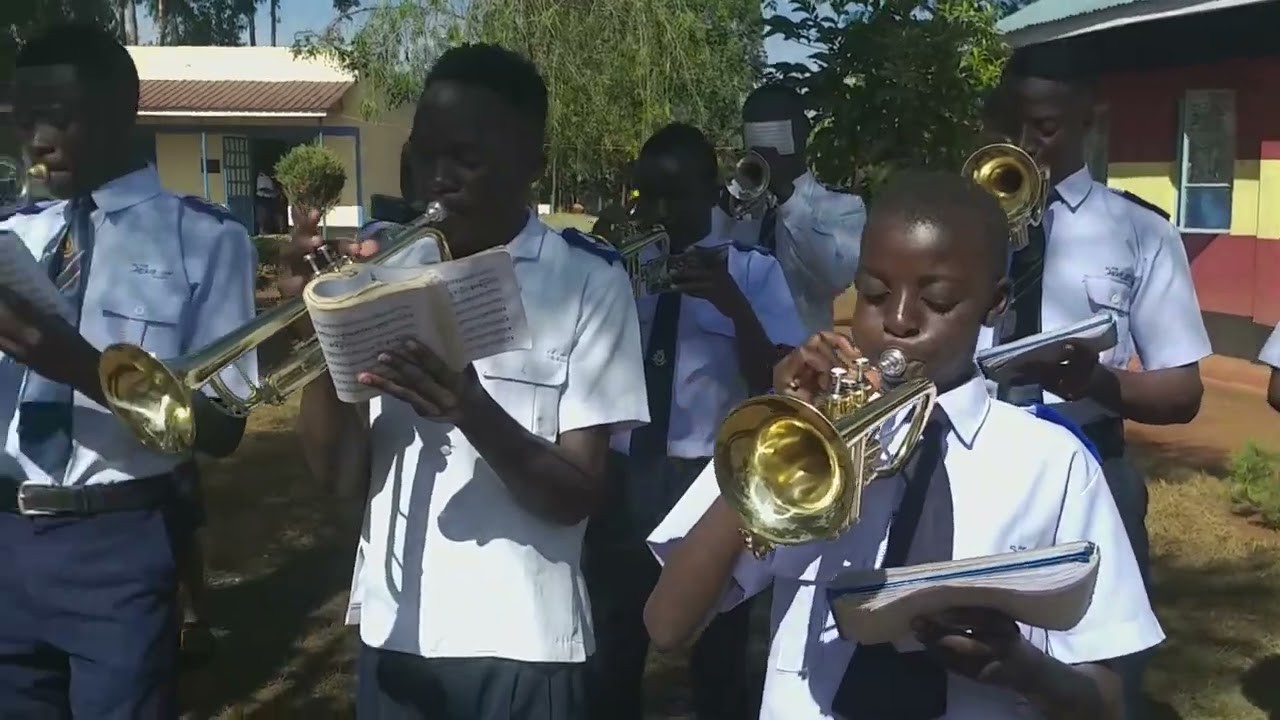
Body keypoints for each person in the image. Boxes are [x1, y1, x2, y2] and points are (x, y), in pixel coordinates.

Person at [643, 171, 1163, 719]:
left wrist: (1023, 669)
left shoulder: (1054, 464)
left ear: (994, 303)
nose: (897, 321)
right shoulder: (799, 433)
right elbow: (667, 625)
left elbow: (1107, 703)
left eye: (937, 301)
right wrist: (771, 451)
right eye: (874, 294)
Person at [276, 43, 649, 720]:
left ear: (531, 165)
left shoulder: (588, 282)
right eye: (423, 157)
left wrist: (471, 409)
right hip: (396, 633)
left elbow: (580, 494)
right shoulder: (378, 272)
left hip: (525, 647)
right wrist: (320, 334)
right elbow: (339, 478)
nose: (436, 180)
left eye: (465, 160)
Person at [0, 23, 257, 717]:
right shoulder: (14, 237)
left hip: (115, 544)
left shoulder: (203, 240)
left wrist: (77, 365)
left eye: (59, 118)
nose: (36, 140)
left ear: (122, 114)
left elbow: (223, 427)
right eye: (24, 120)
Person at [991, 44, 1211, 720]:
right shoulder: (961, 223)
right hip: (971, 464)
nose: (1026, 144)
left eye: (1046, 126)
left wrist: (1098, 384)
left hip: (1089, 468)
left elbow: (1182, 392)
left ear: (1090, 118)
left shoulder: (1139, 231)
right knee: (972, 670)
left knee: (1100, 676)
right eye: (1011, 124)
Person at [583, 123, 806, 720]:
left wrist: (733, 305)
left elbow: (778, 381)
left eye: (675, 196)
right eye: (648, 195)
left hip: (708, 479)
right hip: (625, 474)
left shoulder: (752, 271)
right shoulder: (618, 268)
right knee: (611, 649)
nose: (659, 211)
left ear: (712, 192)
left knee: (720, 654)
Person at [713, 83, 865, 334]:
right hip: (739, 349)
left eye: (773, 129)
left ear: (802, 133)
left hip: (803, 351)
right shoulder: (740, 204)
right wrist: (723, 208)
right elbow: (708, 261)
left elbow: (836, 278)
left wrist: (787, 197)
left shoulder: (843, 207)